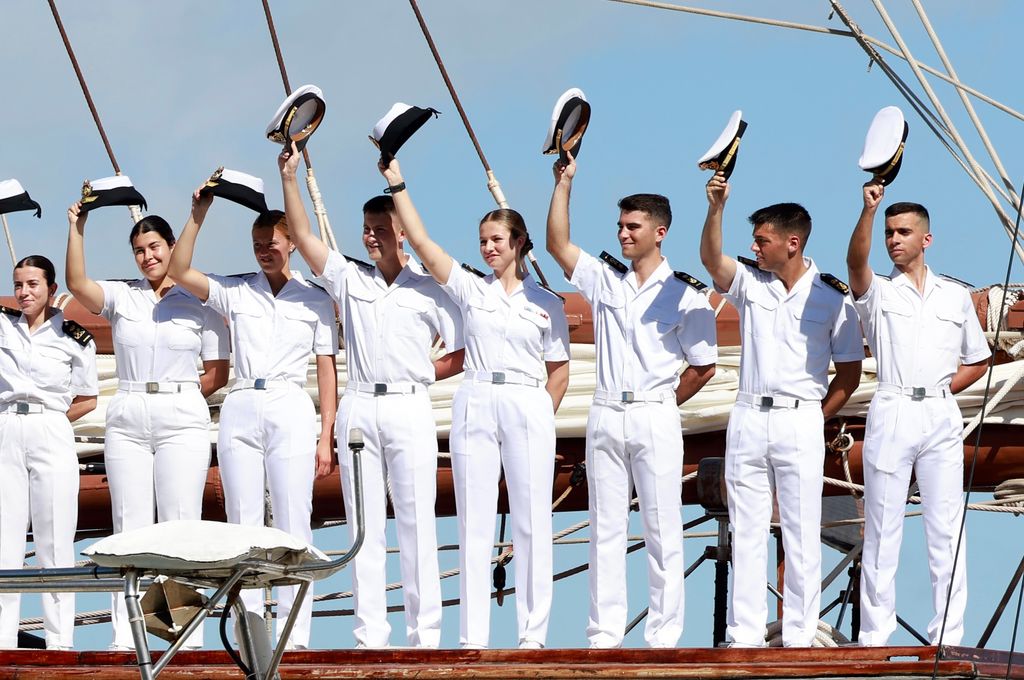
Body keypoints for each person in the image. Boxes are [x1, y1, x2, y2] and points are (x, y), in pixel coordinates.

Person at [378, 157, 570, 649]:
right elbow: (421, 242)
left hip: (528, 400)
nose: (487, 249)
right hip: (477, 398)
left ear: (519, 243)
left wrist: (539, 421)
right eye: (482, 240)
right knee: (474, 521)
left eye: (496, 241)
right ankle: (472, 637)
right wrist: (397, 182)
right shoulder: (468, 289)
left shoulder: (546, 303)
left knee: (532, 521)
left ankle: (533, 636)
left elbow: (560, 371)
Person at [278, 143, 463, 649]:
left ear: (401, 234)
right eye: (366, 230)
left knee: (416, 522)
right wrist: (290, 178)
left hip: (408, 404)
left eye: (380, 230)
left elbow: (465, 351)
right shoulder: (348, 278)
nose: (371, 238)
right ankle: (370, 636)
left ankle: (424, 637)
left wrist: (425, 372)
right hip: (359, 406)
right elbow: (302, 237)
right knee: (363, 528)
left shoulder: (429, 289)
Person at [546, 153, 717, 649]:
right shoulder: (605, 279)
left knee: (662, 525)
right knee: (604, 527)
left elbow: (703, 366)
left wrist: (663, 400)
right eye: (620, 226)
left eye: (633, 226)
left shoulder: (687, 295)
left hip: (654, 411)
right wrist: (564, 181)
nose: (623, 234)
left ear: (659, 232)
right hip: (605, 410)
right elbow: (557, 243)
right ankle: (603, 633)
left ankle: (663, 634)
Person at [167, 189, 338, 650]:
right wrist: (197, 214)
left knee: (292, 518)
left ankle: (294, 634)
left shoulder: (316, 300)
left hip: (289, 403)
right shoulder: (237, 289)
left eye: (272, 242)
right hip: (242, 400)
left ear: (292, 244)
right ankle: (245, 631)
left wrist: (326, 435)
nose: (264, 250)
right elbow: (179, 270)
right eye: (257, 243)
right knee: (241, 522)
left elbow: (326, 370)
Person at [700, 171, 863, 647]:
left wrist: (817, 414)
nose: (754, 249)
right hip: (749, 414)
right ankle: (745, 634)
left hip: (800, 417)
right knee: (747, 527)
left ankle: (798, 634)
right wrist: (716, 207)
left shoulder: (832, 298)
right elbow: (711, 259)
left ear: (792, 243)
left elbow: (849, 373)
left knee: (800, 528)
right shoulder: (751, 284)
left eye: (762, 241)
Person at [64, 204, 230, 650]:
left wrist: (180, 392)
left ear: (171, 247)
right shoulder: (124, 296)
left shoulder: (202, 304)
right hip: (130, 411)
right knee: (128, 527)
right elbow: (77, 285)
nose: (147, 256)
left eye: (154, 246)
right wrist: (76, 227)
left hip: (180, 412)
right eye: (139, 250)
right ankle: (126, 635)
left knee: (181, 523)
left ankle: (185, 636)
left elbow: (217, 372)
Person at [846, 184, 989, 646]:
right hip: (892, 406)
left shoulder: (954, 296)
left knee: (947, 527)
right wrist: (867, 211)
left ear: (926, 239)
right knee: (884, 526)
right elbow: (855, 264)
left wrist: (945, 390)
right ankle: (874, 634)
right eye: (889, 232)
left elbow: (977, 358)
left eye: (903, 232)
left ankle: (946, 634)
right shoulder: (878, 291)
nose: (894, 240)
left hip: (939, 413)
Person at [0, 255, 98, 650]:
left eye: (33, 285)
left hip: (51, 427)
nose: (24, 293)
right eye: (18, 284)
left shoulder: (74, 337)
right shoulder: (3, 326)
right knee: (5, 537)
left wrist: (53, 418)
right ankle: (4, 641)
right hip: (7, 425)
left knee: (55, 538)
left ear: (51, 290)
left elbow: (88, 398)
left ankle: (59, 642)